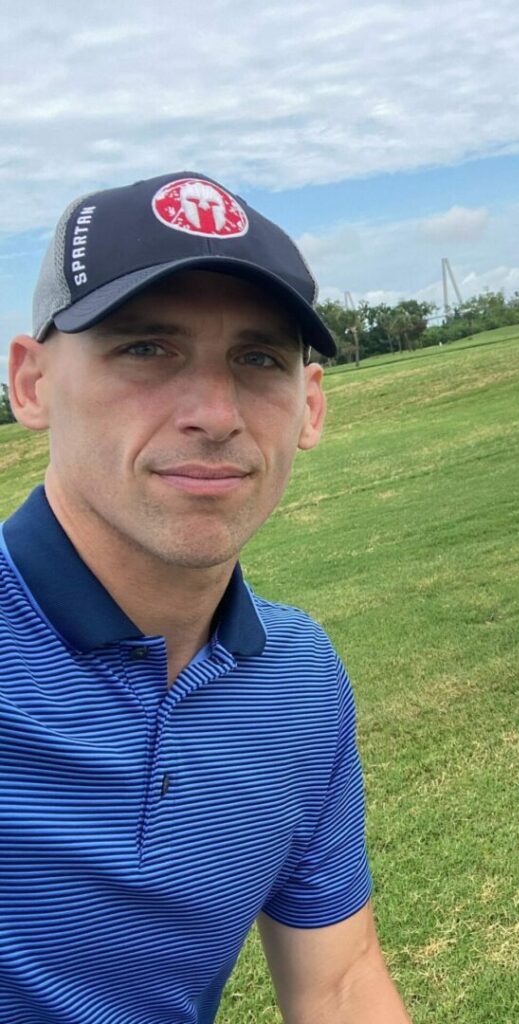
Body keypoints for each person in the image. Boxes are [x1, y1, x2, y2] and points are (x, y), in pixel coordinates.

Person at [0, 172, 411, 1023]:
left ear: (310, 408)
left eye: (258, 359)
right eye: (146, 348)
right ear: (31, 384)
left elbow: (337, 982)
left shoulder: (298, 684)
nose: (215, 412)